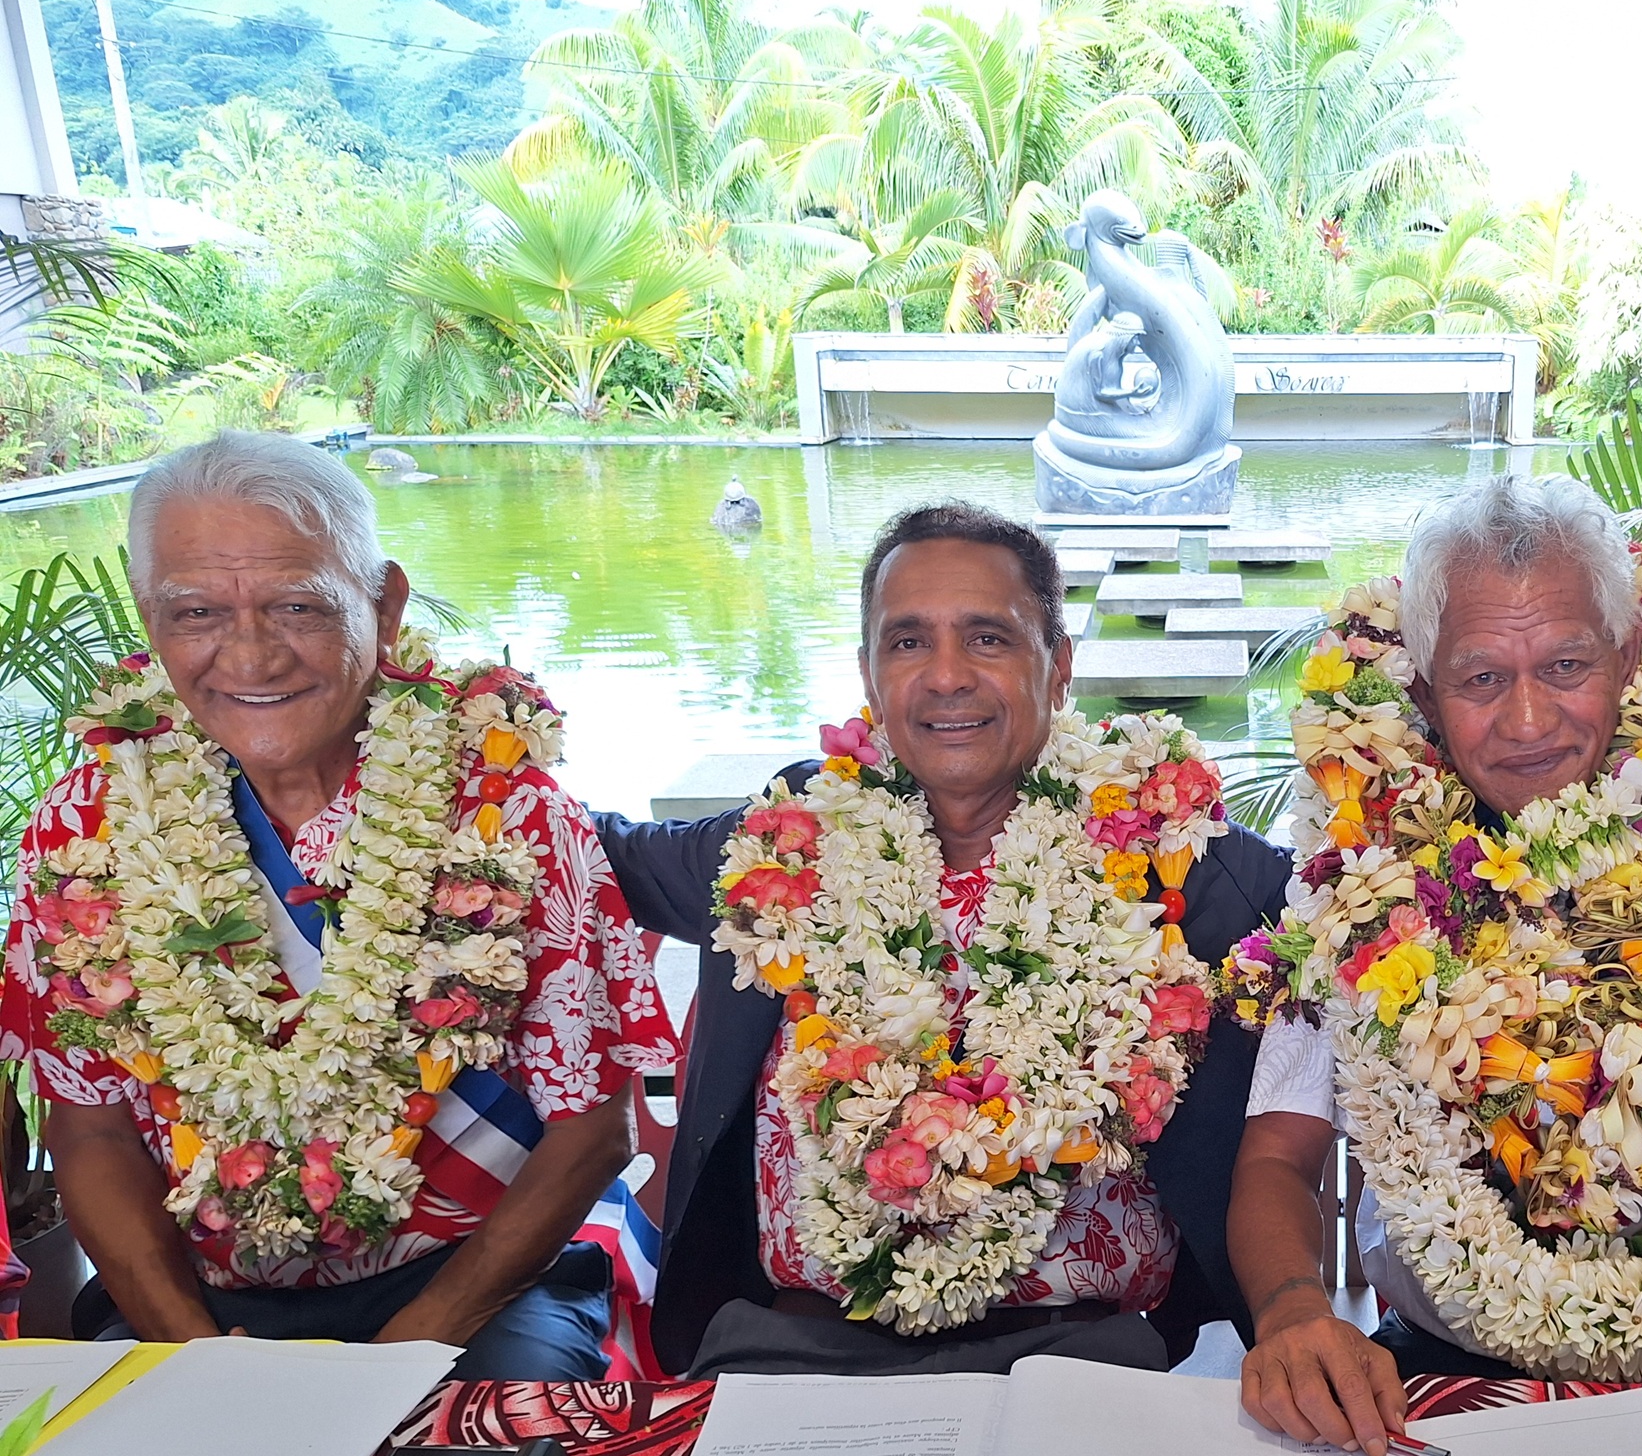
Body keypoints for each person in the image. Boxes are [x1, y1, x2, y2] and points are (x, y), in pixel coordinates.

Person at [0, 432, 677, 1379]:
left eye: (297, 604)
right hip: (194, 1294)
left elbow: (588, 1128)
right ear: (151, 624)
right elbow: (90, 1124)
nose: (250, 653)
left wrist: (406, 1353)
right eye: (196, 611)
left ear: (384, 604)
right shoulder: (84, 824)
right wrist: (197, 1353)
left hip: (475, 1282)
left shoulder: (504, 808)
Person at [1226, 474, 1642, 1456]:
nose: (1528, 720)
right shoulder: (1355, 881)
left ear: (1629, 658)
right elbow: (1276, 1158)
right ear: (1426, 693)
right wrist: (1294, 1309)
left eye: (1566, 665)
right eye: (1481, 679)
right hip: (1442, 1386)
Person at [595, 503, 1290, 1379]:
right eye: (908, 641)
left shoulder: (1164, 843)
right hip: (799, 1337)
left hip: (1088, 1349)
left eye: (989, 639)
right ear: (868, 672)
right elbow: (595, 851)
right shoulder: (789, 836)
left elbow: (1345, 908)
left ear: (1060, 665)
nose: (947, 676)